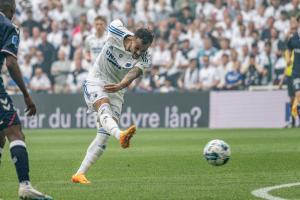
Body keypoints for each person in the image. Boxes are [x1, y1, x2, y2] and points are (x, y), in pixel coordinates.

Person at [72, 19, 154, 184]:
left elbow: (134, 73)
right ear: (131, 39)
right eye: (137, 48)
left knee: (103, 137)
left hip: (117, 88)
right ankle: (121, 135)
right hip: (96, 79)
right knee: (104, 109)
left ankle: (79, 174)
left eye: (143, 50)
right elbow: (116, 22)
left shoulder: (145, 57)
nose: (138, 53)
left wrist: (121, 85)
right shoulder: (116, 30)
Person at [0, 0, 52, 199]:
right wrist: (27, 94)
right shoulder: (9, 27)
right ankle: (25, 186)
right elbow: (11, 62)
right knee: (15, 133)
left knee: (0, 136)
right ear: (12, 10)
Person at [285, 16, 300, 127]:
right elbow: (289, 48)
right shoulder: (293, 38)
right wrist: (288, 58)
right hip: (296, 72)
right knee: (298, 95)